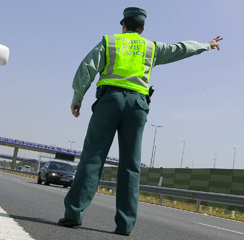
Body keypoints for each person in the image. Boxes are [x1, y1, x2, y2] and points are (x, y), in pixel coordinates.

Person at [58, 7, 222, 236]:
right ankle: (124, 225)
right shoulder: (151, 47)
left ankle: (74, 215)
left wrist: (78, 97)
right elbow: (181, 49)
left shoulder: (110, 42)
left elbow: (87, 69)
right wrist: (207, 44)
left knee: (93, 158)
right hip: (137, 106)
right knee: (130, 165)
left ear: (122, 25)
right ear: (142, 28)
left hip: (109, 101)